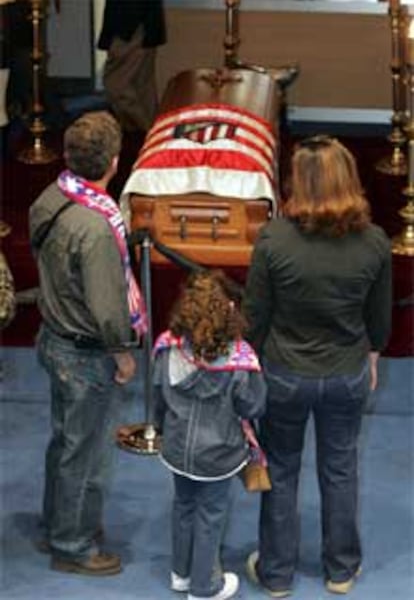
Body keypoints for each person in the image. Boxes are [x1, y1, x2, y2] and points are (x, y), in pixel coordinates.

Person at [243, 136, 392, 597]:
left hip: (285, 374)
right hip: (346, 372)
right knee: (341, 468)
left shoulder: (273, 239)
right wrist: (370, 360)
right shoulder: (374, 242)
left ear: (297, 182)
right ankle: (341, 569)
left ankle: (276, 574)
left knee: (281, 470)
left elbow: (254, 316)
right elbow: (379, 319)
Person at [29, 110, 147, 576]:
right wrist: (122, 355)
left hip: (54, 336)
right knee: (88, 452)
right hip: (85, 353)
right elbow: (106, 306)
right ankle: (74, 545)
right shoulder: (98, 228)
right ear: (115, 162)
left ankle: (57, 523)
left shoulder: (51, 195)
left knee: (64, 443)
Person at [152, 269, 267, 600]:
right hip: (220, 453)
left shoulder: (166, 348)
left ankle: (181, 574)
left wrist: (161, 429)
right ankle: (205, 587)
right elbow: (253, 406)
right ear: (229, 310)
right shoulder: (242, 359)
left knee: (183, 505)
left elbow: (158, 397)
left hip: (176, 448)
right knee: (210, 514)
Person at [97, 0, 166, 133]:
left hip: (129, 23)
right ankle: (153, 134)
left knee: (116, 85)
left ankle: (146, 131)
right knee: (142, 87)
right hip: (141, 21)